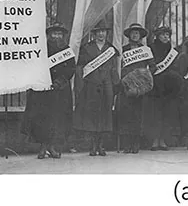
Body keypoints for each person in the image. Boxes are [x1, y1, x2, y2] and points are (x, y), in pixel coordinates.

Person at [22, 22, 75, 159]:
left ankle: (50, 147)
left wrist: (59, 82)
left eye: (59, 34)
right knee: (42, 119)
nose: (56, 36)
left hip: (60, 90)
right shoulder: (41, 49)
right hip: (43, 90)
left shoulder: (67, 50)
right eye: (54, 33)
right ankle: (43, 147)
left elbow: (70, 69)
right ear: (49, 35)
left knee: (57, 120)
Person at [74, 23, 118, 157]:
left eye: (103, 31)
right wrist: (80, 85)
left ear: (107, 33)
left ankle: (101, 145)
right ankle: (93, 145)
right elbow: (80, 67)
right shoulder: (86, 48)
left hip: (107, 85)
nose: (101, 34)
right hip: (91, 85)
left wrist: (116, 84)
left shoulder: (111, 49)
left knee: (105, 114)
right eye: (98, 32)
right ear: (94, 34)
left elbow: (114, 68)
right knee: (92, 115)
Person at [115, 23, 152, 154]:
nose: (135, 35)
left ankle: (136, 143)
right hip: (125, 86)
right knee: (125, 115)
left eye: (137, 33)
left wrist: (144, 78)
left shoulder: (146, 50)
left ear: (141, 36)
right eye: (133, 33)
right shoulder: (123, 50)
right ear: (129, 35)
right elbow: (118, 66)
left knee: (137, 115)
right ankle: (126, 144)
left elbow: (152, 66)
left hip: (140, 88)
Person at [146, 25, 180, 151]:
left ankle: (163, 140)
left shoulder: (172, 50)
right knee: (155, 114)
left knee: (166, 114)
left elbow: (175, 66)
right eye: (163, 34)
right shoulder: (151, 48)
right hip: (155, 84)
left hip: (168, 86)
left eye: (167, 35)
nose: (166, 37)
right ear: (157, 36)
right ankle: (155, 140)